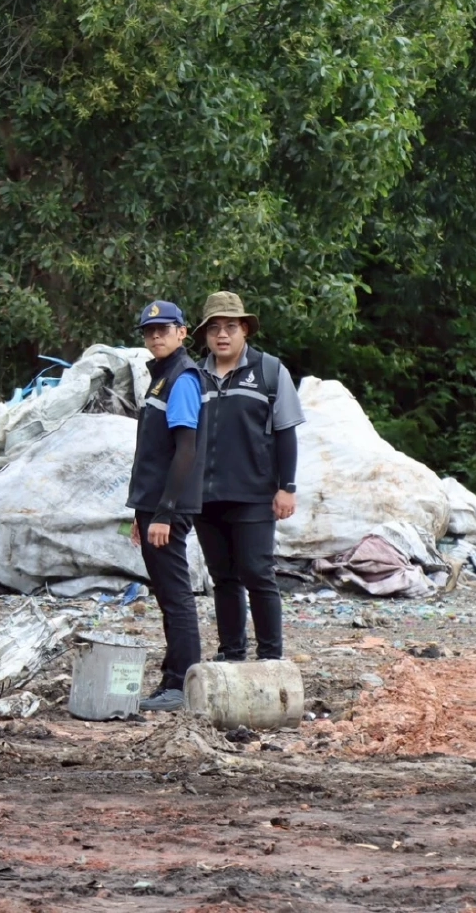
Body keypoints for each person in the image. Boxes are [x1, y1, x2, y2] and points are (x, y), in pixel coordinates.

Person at [192, 291, 305, 662]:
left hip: (254, 494)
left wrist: (286, 488)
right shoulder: (194, 376)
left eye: (230, 327)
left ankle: (271, 657)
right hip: (206, 496)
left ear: (244, 330)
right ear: (205, 335)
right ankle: (231, 653)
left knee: (257, 574)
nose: (221, 335)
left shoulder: (270, 371)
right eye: (214, 329)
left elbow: (286, 431)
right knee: (223, 578)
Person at [127, 300, 205, 712]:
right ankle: (171, 679)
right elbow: (152, 453)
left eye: (164, 328)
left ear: (182, 332)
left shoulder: (181, 378)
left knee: (176, 596)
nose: (156, 336)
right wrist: (143, 511)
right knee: (166, 595)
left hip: (167, 508)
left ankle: (182, 684)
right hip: (153, 506)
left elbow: (185, 450)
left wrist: (165, 512)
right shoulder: (161, 379)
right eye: (149, 331)